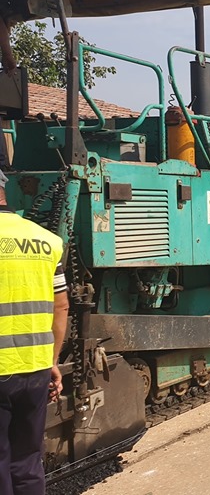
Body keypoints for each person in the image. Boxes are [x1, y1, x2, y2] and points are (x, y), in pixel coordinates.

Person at [0, 169, 69, 495]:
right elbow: (61, 306)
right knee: (28, 462)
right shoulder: (47, 241)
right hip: (36, 369)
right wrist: (53, 361)